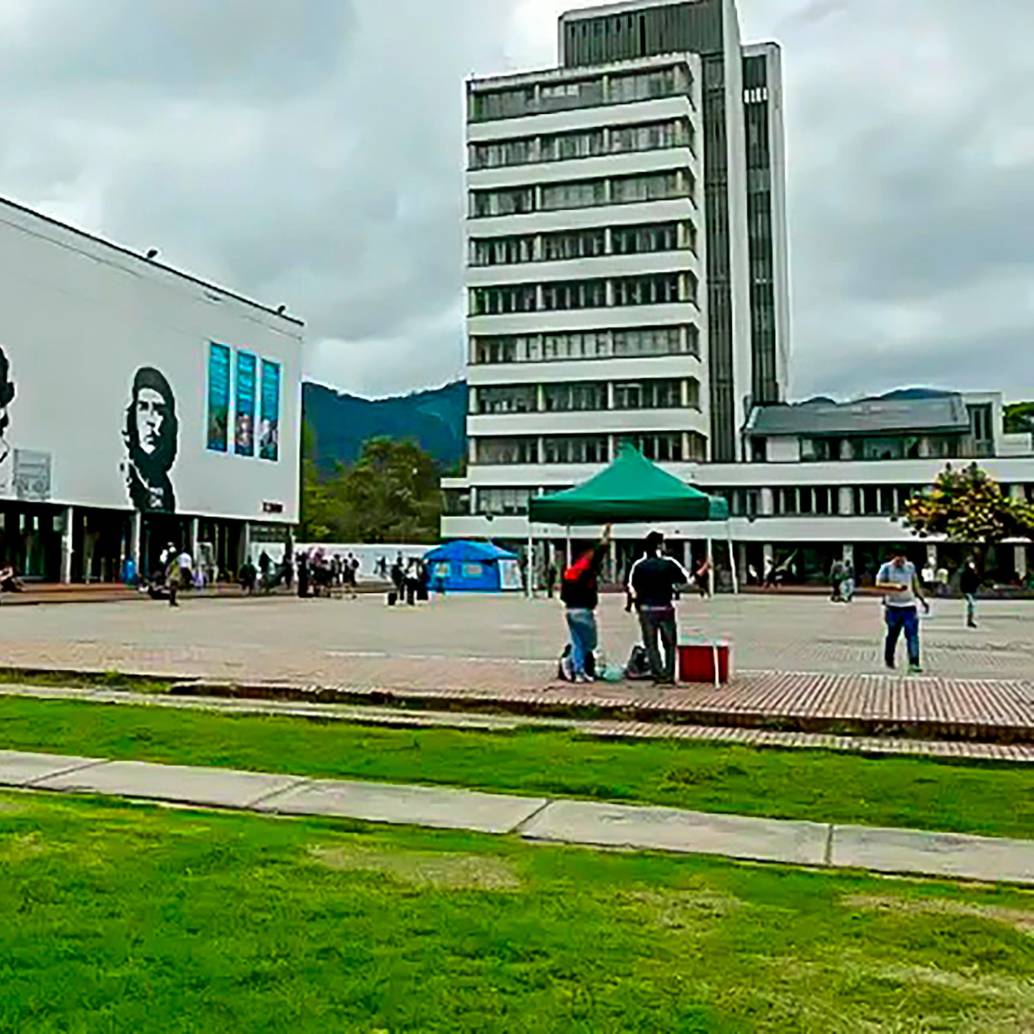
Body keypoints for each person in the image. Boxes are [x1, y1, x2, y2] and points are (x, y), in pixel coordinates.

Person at [628, 531, 691, 685]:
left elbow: (634, 587)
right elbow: (683, 580)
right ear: (660, 546)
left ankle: (658, 674)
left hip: (646, 609)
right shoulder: (669, 564)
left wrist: (633, 605)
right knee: (670, 644)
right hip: (665, 607)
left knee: (651, 645)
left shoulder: (639, 566)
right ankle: (669, 675)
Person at [559, 525, 611, 683]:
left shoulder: (569, 573)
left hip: (570, 611)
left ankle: (578, 671)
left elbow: (563, 596)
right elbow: (598, 555)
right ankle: (576, 666)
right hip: (584, 610)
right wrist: (606, 535)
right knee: (590, 643)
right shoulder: (587, 571)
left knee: (577, 642)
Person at [123, 366, 178, 513]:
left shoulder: (164, 484)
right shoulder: (125, 475)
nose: (150, 420)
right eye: (143, 408)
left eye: (159, 410)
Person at [875, 551, 929, 674]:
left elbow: (915, 585)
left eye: (903, 559)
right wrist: (895, 587)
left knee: (912, 635)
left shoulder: (910, 567)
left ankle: (914, 662)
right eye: (898, 559)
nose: (901, 561)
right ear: (894, 557)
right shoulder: (886, 568)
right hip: (893, 607)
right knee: (892, 635)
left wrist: (922, 600)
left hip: (909, 607)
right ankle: (889, 658)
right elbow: (878, 584)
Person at [960, 560, 981, 629]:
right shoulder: (964, 574)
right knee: (971, 604)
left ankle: (970, 621)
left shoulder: (974, 574)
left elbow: (978, 581)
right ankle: (970, 621)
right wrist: (963, 591)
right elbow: (962, 583)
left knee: (971, 606)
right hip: (967, 592)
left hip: (972, 591)